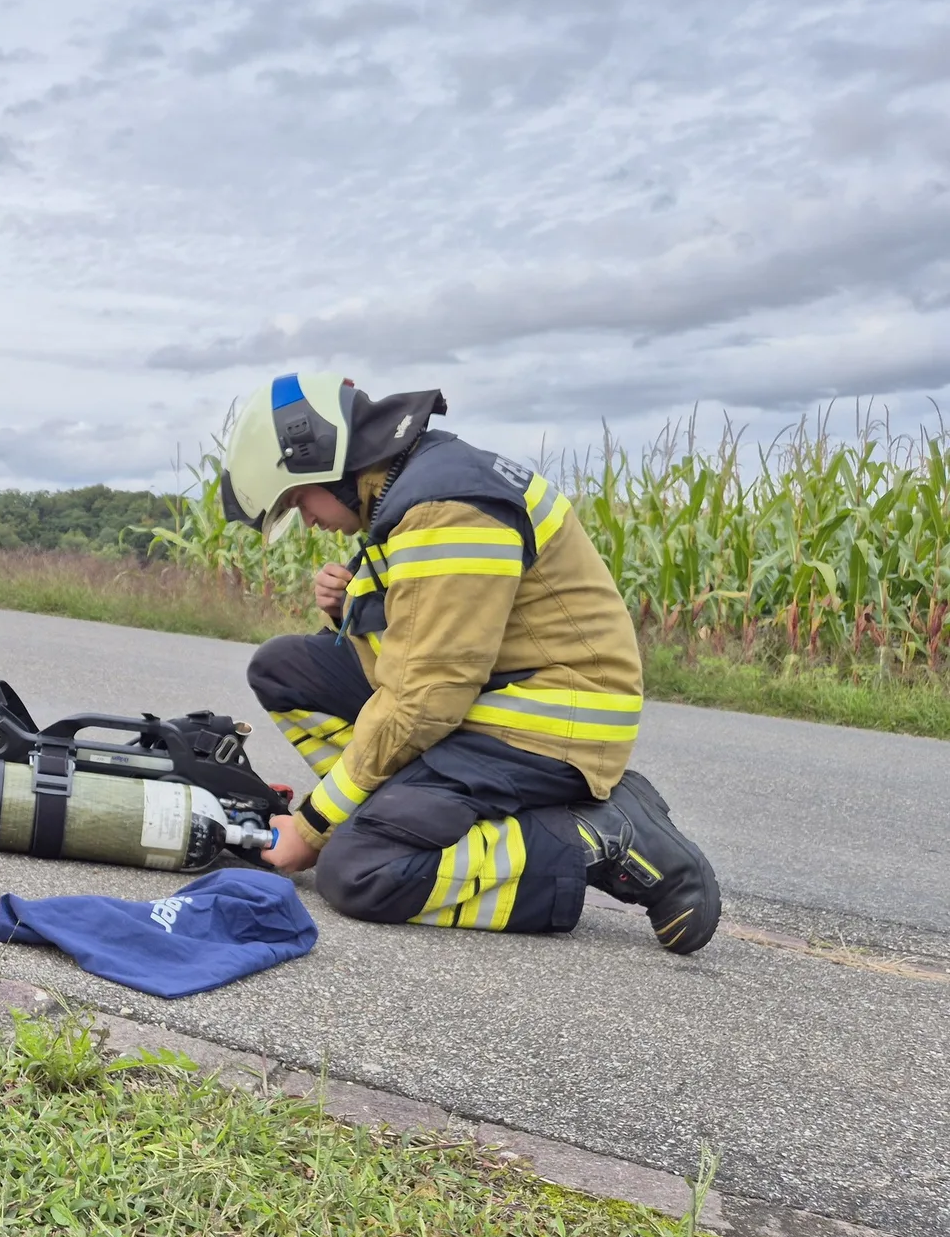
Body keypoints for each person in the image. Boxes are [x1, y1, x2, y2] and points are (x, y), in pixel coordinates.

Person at [222, 373, 720, 953]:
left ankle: (601, 835)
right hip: (488, 697)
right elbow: (422, 646)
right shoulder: (413, 490)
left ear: (323, 462)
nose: (306, 521)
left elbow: (425, 697)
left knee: (360, 872)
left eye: (295, 500)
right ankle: (392, 812)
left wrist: (311, 829)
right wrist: (349, 611)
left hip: (548, 721)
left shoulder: (446, 508)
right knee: (284, 668)